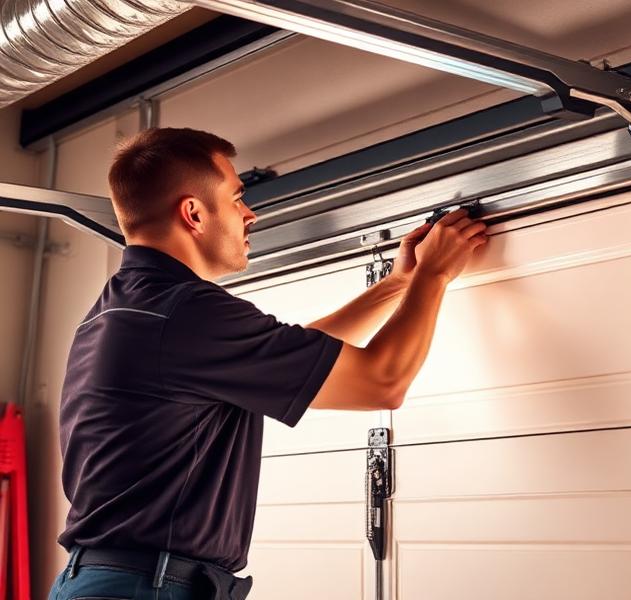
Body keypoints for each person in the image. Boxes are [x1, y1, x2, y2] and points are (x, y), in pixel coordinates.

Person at [47, 128, 488, 600]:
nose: (249, 214)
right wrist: (436, 274)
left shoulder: (123, 308)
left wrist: (397, 285)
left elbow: (297, 360)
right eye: (237, 198)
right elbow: (383, 382)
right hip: (145, 588)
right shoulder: (187, 312)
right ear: (193, 213)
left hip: (114, 582)